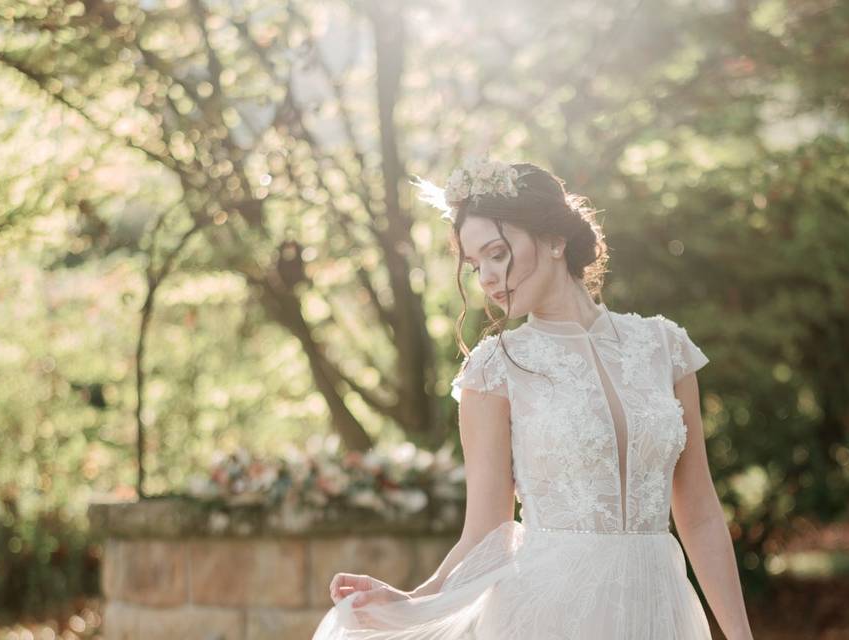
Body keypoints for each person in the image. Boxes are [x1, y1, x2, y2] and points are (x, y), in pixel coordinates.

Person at [311, 158, 754, 639]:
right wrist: (417, 600)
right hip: (546, 614)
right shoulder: (493, 370)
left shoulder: (665, 349)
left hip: (659, 610)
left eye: (497, 253)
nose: (485, 278)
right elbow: (485, 533)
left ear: (554, 240)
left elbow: (701, 512)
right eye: (476, 264)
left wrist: (740, 636)